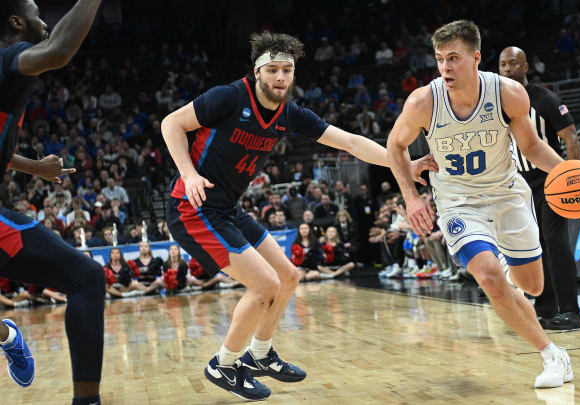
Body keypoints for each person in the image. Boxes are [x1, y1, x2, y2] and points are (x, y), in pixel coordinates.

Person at [161, 31, 436, 400]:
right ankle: (223, 364)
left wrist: (403, 162)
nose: (280, 78)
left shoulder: (290, 113)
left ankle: (259, 354)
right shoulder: (229, 97)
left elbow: (352, 142)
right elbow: (171, 124)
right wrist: (189, 173)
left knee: (288, 276)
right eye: (272, 70)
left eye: (286, 70)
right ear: (257, 72)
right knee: (264, 286)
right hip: (192, 208)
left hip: (227, 209)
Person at [386, 20, 573, 389]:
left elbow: (533, 147)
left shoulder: (507, 93)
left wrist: (568, 172)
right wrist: (411, 197)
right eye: (440, 59)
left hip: (507, 194)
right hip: (458, 203)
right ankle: (553, 355)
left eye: (453, 58)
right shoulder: (424, 101)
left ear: (475, 58)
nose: (445, 68)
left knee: (533, 287)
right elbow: (395, 145)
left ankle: (507, 269)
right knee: (487, 275)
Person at [0, 1, 105, 403]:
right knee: (87, 278)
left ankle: (9, 336)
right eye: (37, 12)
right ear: (16, 22)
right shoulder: (9, 60)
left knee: (86, 278)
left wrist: (34, 168)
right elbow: (60, 49)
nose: (45, 21)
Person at [499, 46, 580, 330]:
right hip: (521, 182)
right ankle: (545, 309)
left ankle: (571, 311)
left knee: (555, 240)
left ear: (525, 67)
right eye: (503, 64)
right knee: (535, 245)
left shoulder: (544, 98)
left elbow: (570, 138)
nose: (508, 68)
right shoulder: (496, 104)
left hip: (551, 178)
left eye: (513, 63)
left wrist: (572, 179)